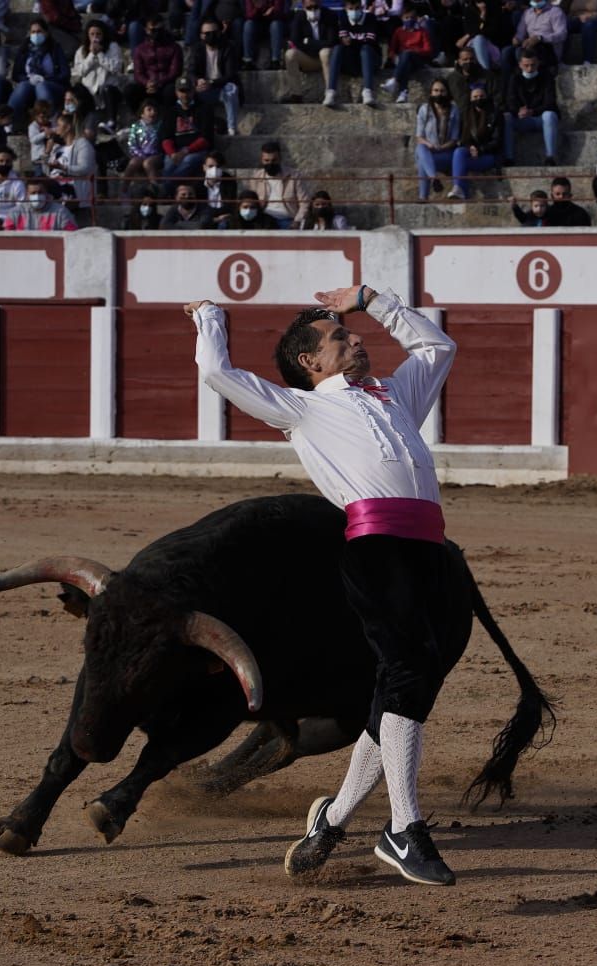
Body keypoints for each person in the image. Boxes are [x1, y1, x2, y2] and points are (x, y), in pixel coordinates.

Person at [189, 282, 461, 887]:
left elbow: (437, 348)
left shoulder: (394, 395)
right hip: (375, 548)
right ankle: (404, 828)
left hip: (429, 548)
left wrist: (372, 300)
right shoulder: (301, 407)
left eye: (352, 331)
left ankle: (333, 821)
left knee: (400, 694)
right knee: (407, 680)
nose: (356, 337)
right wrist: (210, 314)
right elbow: (217, 372)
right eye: (341, 337)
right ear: (310, 362)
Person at [501, 51, 559, 166]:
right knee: (506, 117)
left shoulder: (546, 77)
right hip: (522, 118)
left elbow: (550, 102)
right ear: (520, 65)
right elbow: (510, 101)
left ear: (538, 64)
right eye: (526, 65)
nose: (529, 68)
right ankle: (509, 158)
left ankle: (550, 157)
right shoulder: (515, 78)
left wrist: (532, 111)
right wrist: (518, 111)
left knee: (549, 115)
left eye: (533, 65)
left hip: (540, 118)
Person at [159, 79, 215, 195]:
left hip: (197, 150)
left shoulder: (204, 109)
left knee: (188, 161)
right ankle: (170, 193)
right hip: (176, 150)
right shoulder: (170, 111)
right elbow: (166, 137)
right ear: (176, 92)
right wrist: (172, 153)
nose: (185, 95)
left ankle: (166, 190)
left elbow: (206, 138)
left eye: (187, 91)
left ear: (193, 91)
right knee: (169, 163)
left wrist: (186, 151)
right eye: (181, 91)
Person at [189, 16, 243, 134]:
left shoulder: (228, 47)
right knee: (186, 91)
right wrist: (198, 81)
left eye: (214, 32)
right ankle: (194, 129)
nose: (211, 36)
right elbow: (191, 71)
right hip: (204, 89)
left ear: (220, 32)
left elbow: (230, 75)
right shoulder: (197, 49)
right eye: (207, 33)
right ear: (201, 35)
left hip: (222, 86)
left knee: (231, 88)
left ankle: (232, 128)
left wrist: (212, 83)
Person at [10, 18, 71, 120]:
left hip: (53, 85)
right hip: (29, 84)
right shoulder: (24, 50)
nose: (36, 35)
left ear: (46, 33)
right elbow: (16, 74)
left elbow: (65, 74)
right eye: (33, 32)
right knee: (22, 86)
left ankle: (48, 120)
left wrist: (46, 79)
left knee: (41, 86)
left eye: (39, 31)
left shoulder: (55, 48)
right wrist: (29, 79)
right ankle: (8, 120)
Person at [450, 78, 500, 197]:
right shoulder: (466, 115)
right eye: (475, 97)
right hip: (472, 152)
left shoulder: (495, 115)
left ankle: (461, 191)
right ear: (471, 99)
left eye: (481, 96)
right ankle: (458, 189)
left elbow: (497, 140)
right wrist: (470, 147)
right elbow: (463, 138)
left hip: (489, 155)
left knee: (460, 164)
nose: (479, 99)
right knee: (459, 152)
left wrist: (480, 149)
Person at [327, 0, 381, 107]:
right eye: (351, 9)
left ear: (361, 7)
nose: (354, 11)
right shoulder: (343, 17)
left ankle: (367, 91)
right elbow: (343, 40)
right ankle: (330, 92)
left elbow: (370, 41)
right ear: (346, 9)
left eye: (357, 8)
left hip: (370, 61)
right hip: (351, 62)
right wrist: (358, 41)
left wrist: (352, 41)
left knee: (365, 49)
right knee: (337, 48)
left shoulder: (370, 18)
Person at [501, 0, 567, 87]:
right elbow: (520, 33)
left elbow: (562, 34)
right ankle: (507, 87)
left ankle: (526, 85)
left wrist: (540, 38)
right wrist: (517, 39)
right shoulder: (528, 13)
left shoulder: (555, 11)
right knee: (507, 52)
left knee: (521, 52)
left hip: (548, 48)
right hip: (529, 45)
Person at [282, 0, 337, 103]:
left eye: (316, 7)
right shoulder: (299, 16)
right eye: (309, 7)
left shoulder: (330, 15)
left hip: (326, 59)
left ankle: (329, 93)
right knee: (290, 54)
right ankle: (296, 94)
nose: (313, 10)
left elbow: (332, 41)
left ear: (320, 4)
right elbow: (295, 40)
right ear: (303, 5)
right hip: (308, 58)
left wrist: (308, 41)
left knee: (325, 52)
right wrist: (316, 44)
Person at [126, 13, 183, 113]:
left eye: (159, 30)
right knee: (130, 90)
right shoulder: (140, 49)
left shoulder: (174, 47)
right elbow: (138, 73)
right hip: (147, 86)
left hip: (165, 84)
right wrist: (147, 83)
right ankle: (138, 116)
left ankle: (167, 118)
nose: (156, 33)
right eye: (153, 30)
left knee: (171, 90)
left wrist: (158, 83)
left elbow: (175, 72)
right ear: (146, 30)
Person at [414, 78, 460, 200]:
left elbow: (454, 139)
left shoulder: (454, 110)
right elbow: (419, 137)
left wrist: (441, 147)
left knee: (421, 162)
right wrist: (429, 145)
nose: (439, 93)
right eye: (436, 90)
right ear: (431, 93)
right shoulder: (424, 109)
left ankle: (423, 197)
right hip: (428, 150)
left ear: (447, 93)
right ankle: (434, 178)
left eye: (442, 91)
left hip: (446, 153)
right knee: (420, 148)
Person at [245, 140, 308, 227]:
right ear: (262, 160)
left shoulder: (294, 176)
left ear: (280, 159)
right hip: (264, 220)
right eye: (266, 160)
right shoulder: (256, 177)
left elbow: (304, 202)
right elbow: (251, 201)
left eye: (274, 160)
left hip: (288, 220)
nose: (270, 164)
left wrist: (297, 221)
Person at [72, 20, 123, 125]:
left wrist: (100, 54)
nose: (95, 37)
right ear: (88, 35)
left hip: (108, 90)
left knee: (109, 89)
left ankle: (111, 122)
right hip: (90, 91)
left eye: (98, 34)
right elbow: (80, 71)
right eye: (92, 34)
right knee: (77, 89)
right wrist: (91, 55)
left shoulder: (113, 47)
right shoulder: (81, 51)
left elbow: (116, 68)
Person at [382, 7, 434, 104]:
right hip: (403, 60)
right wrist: (393, 56)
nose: (409, 20)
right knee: (406, 63)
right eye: (406, 18)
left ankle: (394, 80)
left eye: (412, 17)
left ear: (415, 18)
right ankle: (403, 93)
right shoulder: (398, 31)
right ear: (402, 18)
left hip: (418, 59)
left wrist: (414, 50)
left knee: (406, 54)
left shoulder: (422, 31)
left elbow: (428, 50)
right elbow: (392, 48)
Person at [4, 175, 79, 230]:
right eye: (33, 193)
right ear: (27, 195)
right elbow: (7, 237)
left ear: (47, 193)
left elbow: (72, 233)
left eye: (40, 192)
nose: (37, 196)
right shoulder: (15, 213)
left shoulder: (61, 212)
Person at [457, 0, 511, 72]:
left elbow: (493, 31)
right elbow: (469, 30)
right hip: (473, 43)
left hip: (492, 43)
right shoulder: (469, 9)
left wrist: (469, 35)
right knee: (477, 40)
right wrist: (482, 19)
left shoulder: (494, 8)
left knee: (479, 39)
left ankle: (484, 71)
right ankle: (484, 72)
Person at [243, 0, 288, 70]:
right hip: (257, 24)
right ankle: (248, 61)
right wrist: (259, 8)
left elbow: (279, 12)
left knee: (275, 25)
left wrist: (272, 11)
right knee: (248, 24)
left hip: (273, 22)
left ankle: (275, 61)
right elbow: (249, 15)